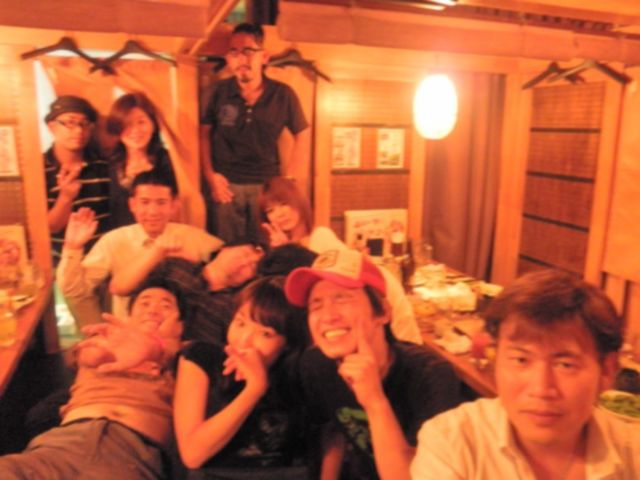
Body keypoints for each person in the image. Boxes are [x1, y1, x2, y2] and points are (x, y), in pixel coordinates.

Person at [410, 269, 640, 480]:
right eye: (521, 360)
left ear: (607, 371)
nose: (541, 389)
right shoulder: (452, 443)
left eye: (565, 365)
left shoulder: (632, 453)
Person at [284, 249, 461, 480]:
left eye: (342, 298)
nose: (327, 316)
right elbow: (333, 430)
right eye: (316, 305)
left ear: (383, 312)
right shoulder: (317, 365)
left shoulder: (431, 376)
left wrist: (374, 400)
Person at [0, 280, 186, 479]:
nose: (152, 310)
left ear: (180, 325)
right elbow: (89, 357)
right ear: (129, 316)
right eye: (144, 303)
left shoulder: (189, 355)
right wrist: (107, 347)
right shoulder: (108, 338)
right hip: (64, 442)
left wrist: (158, 346)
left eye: (166, 305)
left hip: (129, 453)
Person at [174, 276, 311, 479]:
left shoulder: (297, 375)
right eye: (240, 323)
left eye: (265, 334)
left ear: (287, 343)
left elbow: (327, 437)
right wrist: (254, 389)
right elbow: (193, 455)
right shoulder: (202, 358)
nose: (244, 341)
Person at [260, 177, 423, 345]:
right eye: (270, 210)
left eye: (284, 204)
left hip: (382, 307)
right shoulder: (280, 249)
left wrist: (286, 250)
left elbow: (351, 273)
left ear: (298, 201)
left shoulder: (319, 237)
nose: (279, 214)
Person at [57, 170, 223, 327]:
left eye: (161, 203)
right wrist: (72, 247)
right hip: (128, 333)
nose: (152, 212)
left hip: (180, 334)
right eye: (144, 202)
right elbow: (75, 291)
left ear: (174, 205)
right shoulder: (114, 241)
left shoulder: (193, 237)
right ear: (132, 204)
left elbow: (230, 261)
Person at [200, 22, 310, 245]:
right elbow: (203, 135)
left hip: (266, 188)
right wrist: (211, 176)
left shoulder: (283, 94)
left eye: (248, 51)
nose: (241, 59)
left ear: (264, 56)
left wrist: (291, 179)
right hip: (227, 187)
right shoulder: (217, 92)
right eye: (234, 52)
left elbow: (303, 132)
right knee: (228, 249)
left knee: (267, 246)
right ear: (228, 58)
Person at [43, 95, 110, 265]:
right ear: (52, 127)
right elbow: (50, 227)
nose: (79, 130)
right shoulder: (39, 169)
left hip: (103, 262)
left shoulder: (103, 166)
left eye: (84, 123)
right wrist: (66, 197)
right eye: (70, 123)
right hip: (62, 264)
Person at [106, 92, 177, 228]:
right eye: (127, 124)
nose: (135, 130)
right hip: (120, 238)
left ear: (153, 125)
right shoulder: (110, 164)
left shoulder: (168, 162)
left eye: (141, 122)